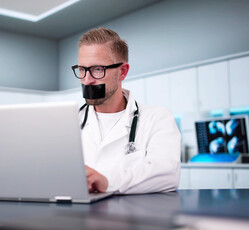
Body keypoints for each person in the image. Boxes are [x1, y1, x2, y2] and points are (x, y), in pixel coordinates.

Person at [72, 27, 181, 194]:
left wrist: (108, 181)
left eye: (97, 70)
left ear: (122, 71)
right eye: (82, 69)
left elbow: (167, 174)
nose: (87, 80)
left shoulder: (157, 118)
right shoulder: (69, 121)